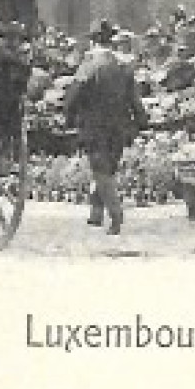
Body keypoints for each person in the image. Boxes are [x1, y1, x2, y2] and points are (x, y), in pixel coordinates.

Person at [63, 19, 149, 235]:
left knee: (100, 170)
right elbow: (135, 99)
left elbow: (74, 95)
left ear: (93, 41)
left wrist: (68, 115)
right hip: (120, 125)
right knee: (108, 167)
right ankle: (96, 212)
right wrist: (141, 120)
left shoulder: (89, 65)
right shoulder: (123, 65)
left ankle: (116, 214)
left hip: (95, 126)